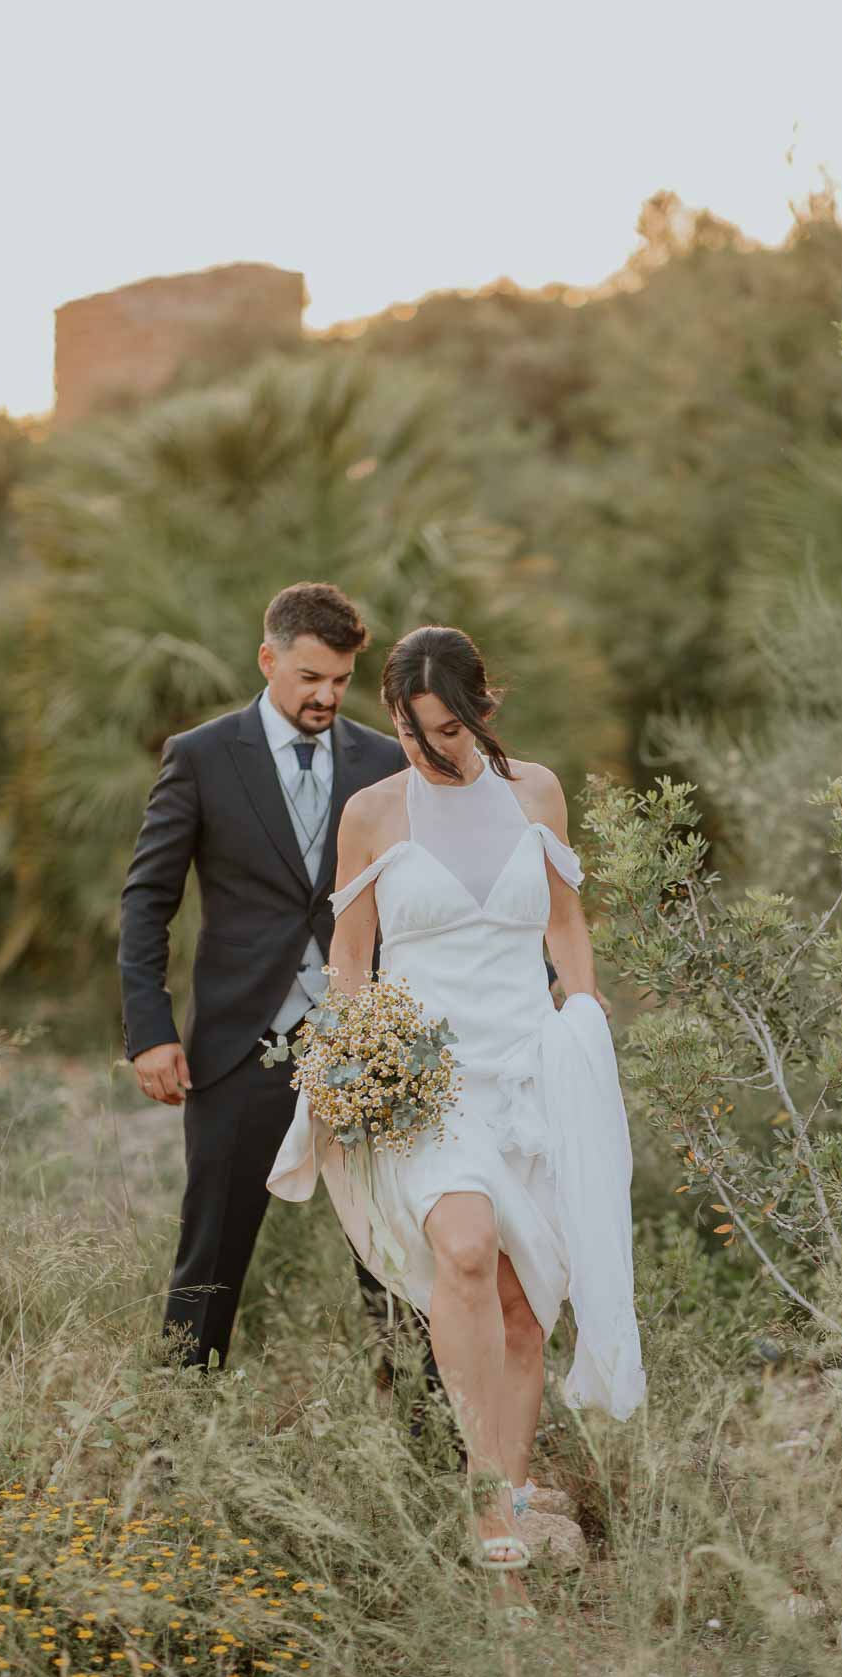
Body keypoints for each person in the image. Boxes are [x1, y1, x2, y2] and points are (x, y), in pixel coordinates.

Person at [268, 624, 645, 1624]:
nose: (433, 750)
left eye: (449, 728)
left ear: (486, 704)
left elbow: (565, 921)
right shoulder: (372, 811)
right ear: (388, 714)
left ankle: (508, 1515)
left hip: (529, 1071)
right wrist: (359, 1050)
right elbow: (350, 955)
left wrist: (586, 1003)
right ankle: (490, 1522)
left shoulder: (538, 794)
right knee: (466, 1251)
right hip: (430, 1077)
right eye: (412, 729)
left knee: (527, 1309)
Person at [118, 581, 433, 1383]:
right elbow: (148, 900)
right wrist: (149, 1029)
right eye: (309, 677)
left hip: (363, 1039)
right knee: (212, 1249)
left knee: (393, 1252)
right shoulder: (199, 755)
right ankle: (176, 1427)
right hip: (239, 1043)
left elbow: (425, 894)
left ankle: (430, 1444)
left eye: (340, 679)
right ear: (269, 660)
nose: (326, 695)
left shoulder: (385, 761)